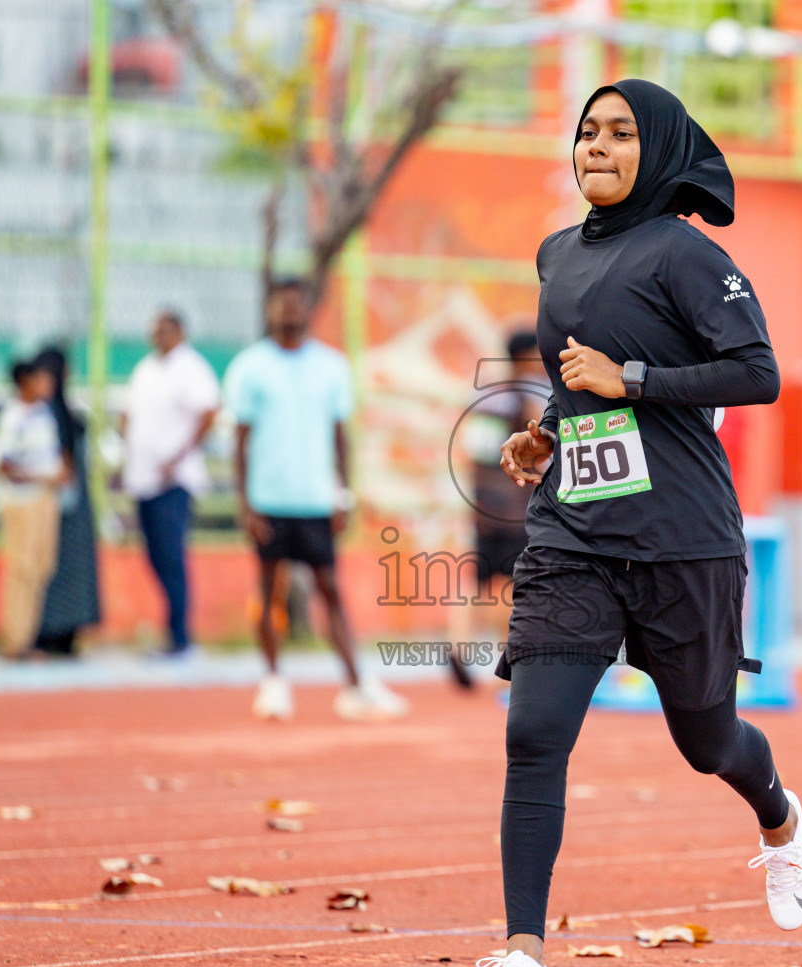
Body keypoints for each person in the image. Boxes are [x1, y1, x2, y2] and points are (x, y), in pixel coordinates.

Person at [473, 80, 802, 967]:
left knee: (706, 742)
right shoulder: (555, 254)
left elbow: (759, 374)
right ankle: (523, 958)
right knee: (534, 734)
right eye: (588, 131)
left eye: (622, 133)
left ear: (657, 149)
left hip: (681, 542)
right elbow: (579, 385)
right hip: (574, 531)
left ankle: (779, 816)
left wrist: (632, 379)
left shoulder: (684, 252)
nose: (599, 145)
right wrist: (549, 432)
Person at [227, 278, 408, 722]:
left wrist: (342, 494)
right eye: (281, 305)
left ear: (309, 308)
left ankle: (355, 685)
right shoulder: (250, 367)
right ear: (270, 310)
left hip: (315, 501)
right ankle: (273, 684)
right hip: (268, 500)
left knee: (330, 590)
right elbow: (239, 442)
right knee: (269, 590)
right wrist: (245, 505)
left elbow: (339, 436)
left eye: (297, 303)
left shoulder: (331, 366)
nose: (290, 312)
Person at [446, 330, 549, 690]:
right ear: (525, 356)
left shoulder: (488, 397)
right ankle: (511, 664)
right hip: (515, 507)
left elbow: (476, 454)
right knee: (513, 584)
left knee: (478, 579)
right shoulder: (527, 397)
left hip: (485, 505)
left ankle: (458, 647)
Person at [122, 310, 221, 655]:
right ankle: (172, 629)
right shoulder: (146, 369)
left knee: (171, 555)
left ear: (179, 331)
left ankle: (179, 635)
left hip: (173, 481)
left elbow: (209, 411)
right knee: (154, 555)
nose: (157, 336)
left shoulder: (190, 368)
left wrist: (178, 456)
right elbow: (130, 414)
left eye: (164, 330)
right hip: (143, 478)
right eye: (153, 330)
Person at [33, 345, 102, 656]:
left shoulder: (61, 411)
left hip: (71, 505)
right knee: (49, 568)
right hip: (50, 502)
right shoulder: (41, 414)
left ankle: (65, 631)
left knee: (71, 570)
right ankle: (48, 630)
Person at [0, 356, 66, 659]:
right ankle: (15, 641)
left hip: (44, 500)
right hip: (23, 502)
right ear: (25, 382)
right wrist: (43, 477)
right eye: (41, 379)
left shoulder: (43, 413)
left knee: (39, 569)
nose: (47, 385)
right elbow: (5, 466)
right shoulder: (14, 417)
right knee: (21, 571)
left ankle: (28, 638)